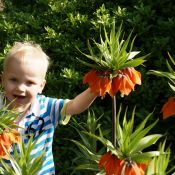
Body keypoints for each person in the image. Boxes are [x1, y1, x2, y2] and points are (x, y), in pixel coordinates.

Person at [0, 41, 97, 175]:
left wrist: (97, 88)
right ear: (2, 79)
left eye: (30, 83)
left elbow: (74, 106)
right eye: (13, 80)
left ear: (41, 86)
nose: (21, 88)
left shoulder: (46, 107)